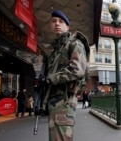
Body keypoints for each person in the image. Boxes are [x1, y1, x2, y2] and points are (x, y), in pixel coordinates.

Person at [43, 10, 90, 141]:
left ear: (67, 26)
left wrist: (51, 79)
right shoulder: (56, 51)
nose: (57, 24)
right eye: (53, 21)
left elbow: (77, 69)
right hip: (56, 103)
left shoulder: (75, 43)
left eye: (61, 21)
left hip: (64, 101)